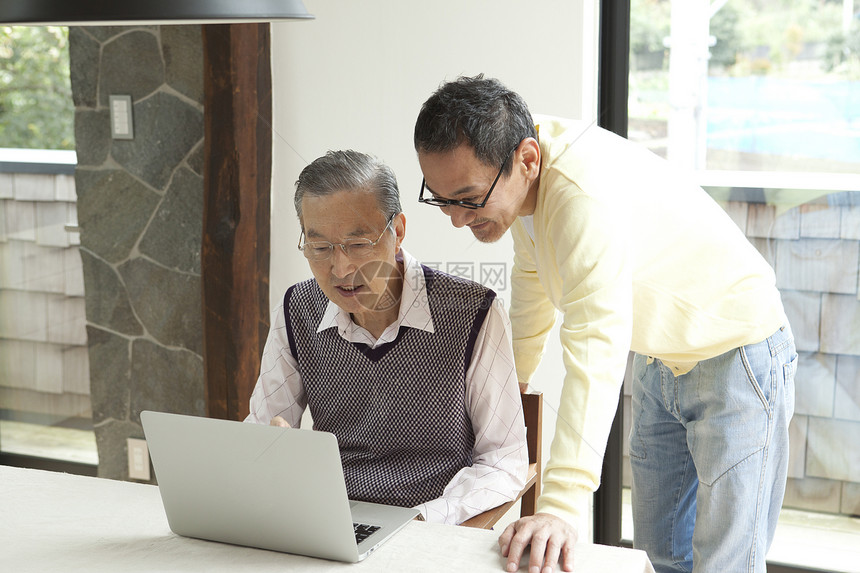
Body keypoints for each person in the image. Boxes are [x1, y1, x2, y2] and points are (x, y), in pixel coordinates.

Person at [413, 75, 797, 573]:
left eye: (466, 198)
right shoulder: (527, 185)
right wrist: (509, 392)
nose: (455, 220)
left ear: (526, 160)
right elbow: (532, 289)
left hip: (737, 353)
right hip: (661, 359)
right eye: (440, 198)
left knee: (725, 565)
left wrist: (560, 506)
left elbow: (595, 345)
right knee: (661, 558)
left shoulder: (580, 194)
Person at [245, 149, 528, 525]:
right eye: (320, 247)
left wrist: (423, 520)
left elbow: (503, 461)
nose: (340, 267)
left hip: (431, 525)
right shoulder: (298, 307)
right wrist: (271, 448)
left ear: (397, 233)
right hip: (329, 522)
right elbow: (262, 432)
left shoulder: (475, 312)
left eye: (358, 244)